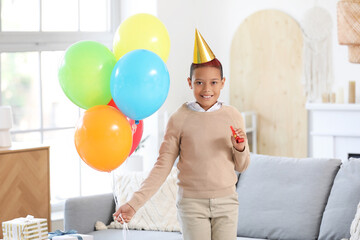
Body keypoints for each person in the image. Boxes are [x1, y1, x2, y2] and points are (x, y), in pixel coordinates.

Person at [113, 29, 250, 240]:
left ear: (223, 83)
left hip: (227, 203)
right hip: (192, 205)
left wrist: (240, 148)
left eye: (214, 82)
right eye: (199, 82)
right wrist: (134, 204)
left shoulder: (233, 116)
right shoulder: (179, 118)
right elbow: (162, 166)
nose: (207, 89)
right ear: (190, 83)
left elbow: (242, 166)